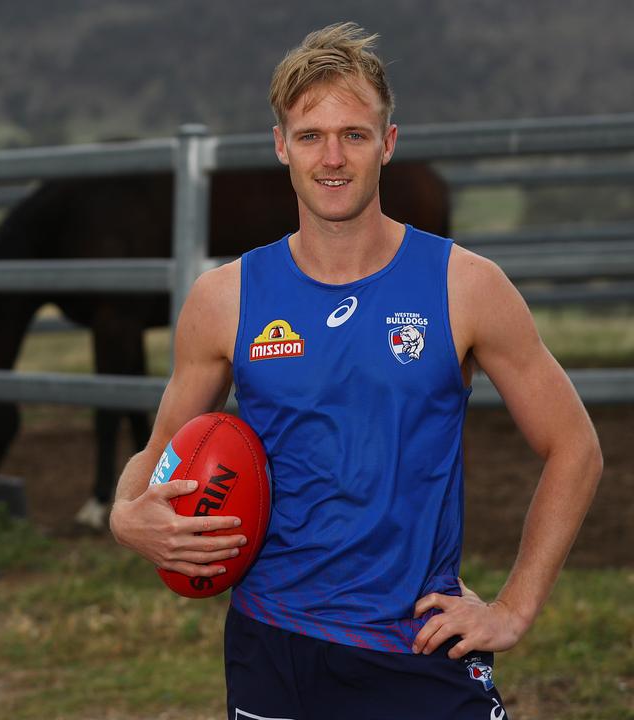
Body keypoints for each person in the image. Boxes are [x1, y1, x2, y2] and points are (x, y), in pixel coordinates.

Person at [108, 21, 602, 720]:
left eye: (354, 134)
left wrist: (514, 608)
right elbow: (158, 454)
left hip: (417, 644)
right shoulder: (226, 300)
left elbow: (575, 447)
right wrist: (129, 518)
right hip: (272, 645)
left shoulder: (464, 286)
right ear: (282, 147)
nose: (331, 157)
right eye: (310, 136)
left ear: (388, 144)